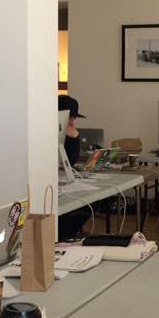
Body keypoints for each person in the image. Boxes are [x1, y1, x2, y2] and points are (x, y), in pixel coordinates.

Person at [58, 94, 92, 239]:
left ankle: (65, 235)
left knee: (91, 203)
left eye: (74, 118)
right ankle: (63, 236)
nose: (72, 121)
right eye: (70, 117)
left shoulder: (68, 133)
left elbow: (70, 162)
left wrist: (74, 137)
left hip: (62, 179)